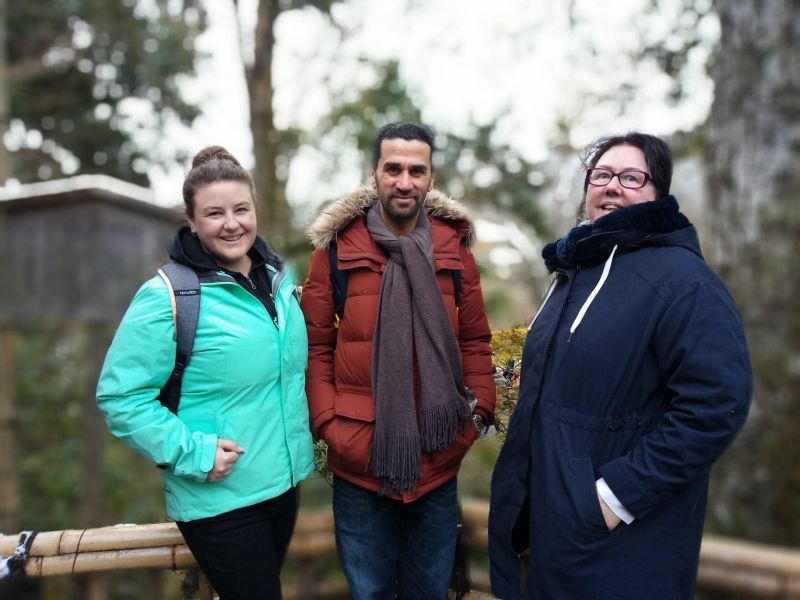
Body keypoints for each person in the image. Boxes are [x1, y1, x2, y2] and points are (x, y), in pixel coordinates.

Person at [488, 132, 753, 599]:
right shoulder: (574, 273)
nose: (613, 186)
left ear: (658, 194)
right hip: (558, 537)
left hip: (626, 546)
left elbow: (716, 406)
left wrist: (615, 496)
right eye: (603, 174)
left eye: (632, 177)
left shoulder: (684, 282)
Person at [96, 146, 314, 599]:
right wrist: (193, 453)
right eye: (214, 213)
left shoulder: (278, 279)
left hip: (282, 485)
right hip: (219, 498)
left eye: (241, 209)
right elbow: (120, 398)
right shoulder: (167, 296)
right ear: (191, 221)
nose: (232, 223)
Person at [301, 122, 496, 599]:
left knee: (430, 593)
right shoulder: (335, 250)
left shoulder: (455, 249)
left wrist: (475, 416)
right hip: (359, 457)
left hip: (438, 456)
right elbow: (312, 347)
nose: (404, 181)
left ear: (430, 179)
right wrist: (330, 424)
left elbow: (475, 342)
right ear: (375, 174)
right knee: (371, 595)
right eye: (393, 169)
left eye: (416, 170)